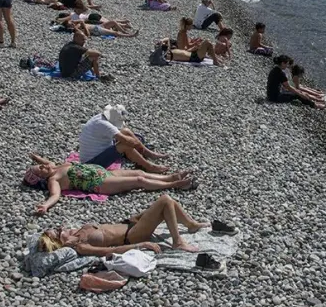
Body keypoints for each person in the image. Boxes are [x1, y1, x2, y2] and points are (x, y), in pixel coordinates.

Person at [35, 194, 206, 254]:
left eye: (57, 228)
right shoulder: (80, 246)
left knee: (169, 204)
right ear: (59, 242)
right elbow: (110, 251)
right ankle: (177, 242)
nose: (61, 228)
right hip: (131, 236)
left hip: (127, 224)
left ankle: (190, 224)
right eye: (58, 232)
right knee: (165, 201)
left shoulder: (74, 232)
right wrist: (141, 245)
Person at [25, 157, 195, 216]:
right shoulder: (53, 180)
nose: (44, 166)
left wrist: (35, 158)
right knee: (139, 181)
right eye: (41, 169)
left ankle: (170, 177)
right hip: (100, 183)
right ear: (42, 178)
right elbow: (55, 195)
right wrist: (45, 206)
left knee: (139, 172)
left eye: (41, 165)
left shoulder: (54, 167)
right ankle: (174, 184)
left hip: (104, 173)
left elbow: (45, 161)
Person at [77, 104, 169, 171]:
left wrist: (136, 144)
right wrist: (137, 143)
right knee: (125, 146)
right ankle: (149, 166)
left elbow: (124, 133)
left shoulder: (100, 117)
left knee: (126, 131)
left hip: (95, 153)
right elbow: (127, 141)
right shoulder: (105, 125)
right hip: (91, 163)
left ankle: (148, 153)